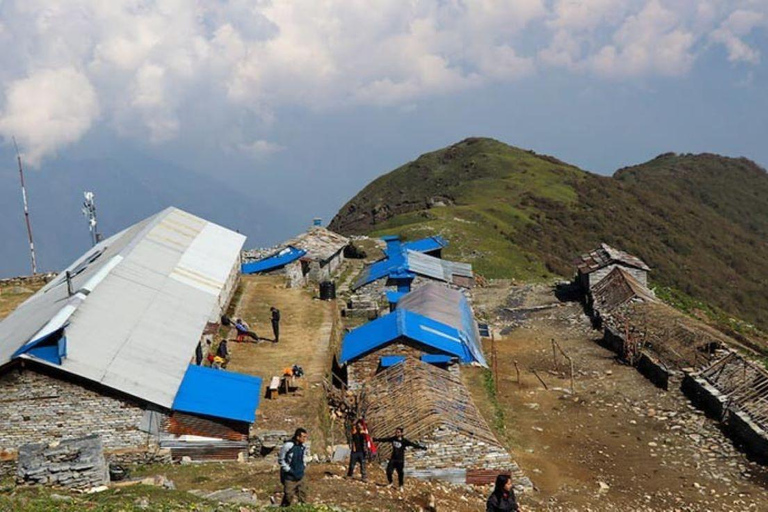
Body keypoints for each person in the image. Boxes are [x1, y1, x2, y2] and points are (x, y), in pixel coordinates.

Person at [278, 428, 309, 506]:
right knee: (288, 495)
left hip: (300, 474)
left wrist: (303, 466)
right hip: (290, 476)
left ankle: (302, 508)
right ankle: (284, 508)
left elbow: (304, 456)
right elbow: (281, 460)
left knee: (303, 493)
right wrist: (289, 470)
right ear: (298, 437)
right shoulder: (288, 446)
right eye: (303, 437)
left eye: (306, 437)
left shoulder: (303, 446)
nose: (305, 439)